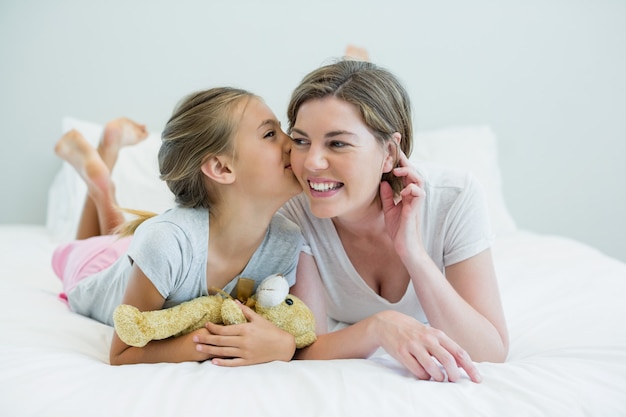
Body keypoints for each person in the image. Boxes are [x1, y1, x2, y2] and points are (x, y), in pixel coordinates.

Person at [279, 51, 509, 383]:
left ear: (389, 153)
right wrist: (378, 326)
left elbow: (490, 353)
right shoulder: (294, 213)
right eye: (301, 141)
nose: (312, 162)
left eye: (338, 144)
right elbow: (306, 349)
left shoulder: (454, 197)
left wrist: (412, 252)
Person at [51, 87, 306, 366]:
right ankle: (102, 186)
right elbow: (122, 354)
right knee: (94, 245)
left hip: (154, 257)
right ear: (221, 168)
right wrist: (213, 344)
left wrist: (285, 344)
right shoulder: (165, 244)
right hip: (96, 268)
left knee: (124, 240)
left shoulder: (287, 242)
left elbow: (284, 323)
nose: (292, 141)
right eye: (270, 134)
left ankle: (102, 173)